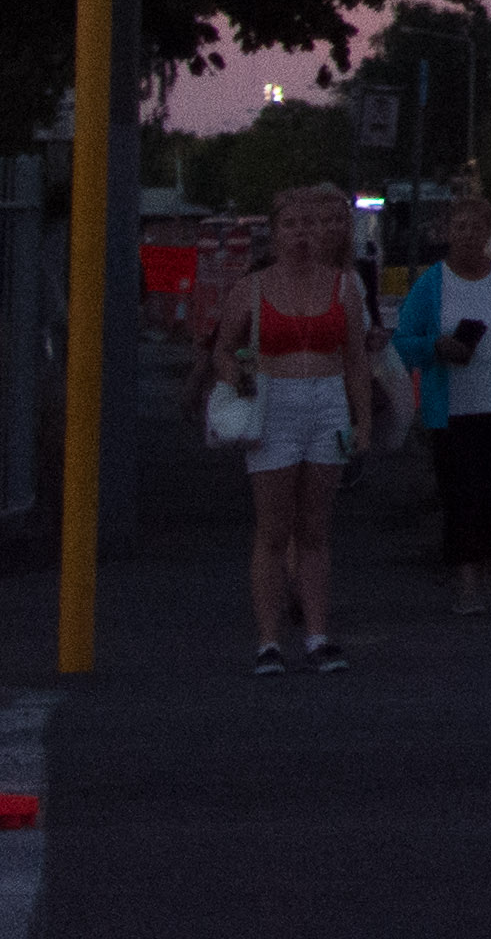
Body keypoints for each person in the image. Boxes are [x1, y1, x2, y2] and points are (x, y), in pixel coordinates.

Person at [199, 182, 402, 670]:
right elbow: (222, 349)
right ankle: (269, 640)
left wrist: (363, 422)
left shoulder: (341, 287)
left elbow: (354, 359)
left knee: (315, 527)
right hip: (275, 402)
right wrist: (237, 375)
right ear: (275, 233)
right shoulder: (253, 287)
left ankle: (317, 635)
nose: (302, 234)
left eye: (310, 224)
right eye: (290, 225)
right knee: (273, 529)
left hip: (326, 400)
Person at [387, 186, 491, 617]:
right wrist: (437, 347)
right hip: (454, 409)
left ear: (487, 232)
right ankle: (466, 581)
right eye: (458, 227)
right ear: (448, 232)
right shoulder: (432, 284)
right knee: (462, 494)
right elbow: (404, 342)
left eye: (475, 227)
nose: (466, 235)